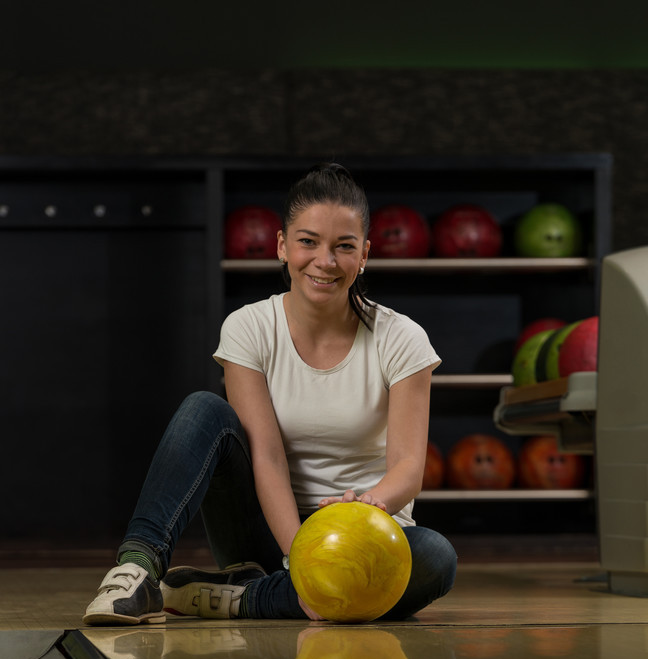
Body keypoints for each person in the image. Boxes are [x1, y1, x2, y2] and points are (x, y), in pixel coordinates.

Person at [83, 163, 457, 626]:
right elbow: (268, 458)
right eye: (308, 242)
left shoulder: (402, 337)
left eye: (344, 246)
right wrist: (306, 559)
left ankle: (242, 599)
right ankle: (136, 571)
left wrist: (368, 505)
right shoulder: (248, 327)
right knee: (203, 409)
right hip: (264, 532)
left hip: (365, 531)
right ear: (282, 246)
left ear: (364, 254)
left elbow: (408, 468)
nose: (325, 260)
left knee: (436, 558)